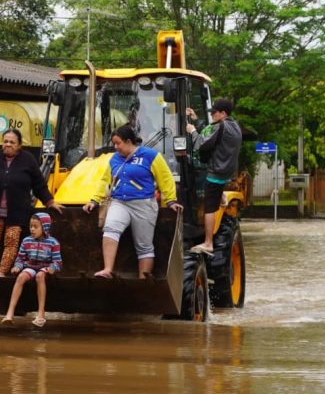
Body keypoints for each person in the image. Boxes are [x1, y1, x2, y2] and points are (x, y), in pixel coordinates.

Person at [82, 124, 182, 279]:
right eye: (114, 144)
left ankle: (144, 280)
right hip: (119, 202)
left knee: (144, 245)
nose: (115, 147)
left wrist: (170, 201)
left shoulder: (150, 155)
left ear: (128, 141)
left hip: (144, 204)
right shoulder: (114, 159)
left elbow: (166, 178)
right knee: (110, 229)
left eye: (118, 143)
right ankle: (107, 269)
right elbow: (104, 181)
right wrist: (95, 200)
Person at [0, 128, 63, 277]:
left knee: (11, 244)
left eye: (12, 142)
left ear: (19, 145)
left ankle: (1, 273)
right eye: (5, 141)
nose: (8, 144)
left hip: (16, 212)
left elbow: (39, 184)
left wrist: (50, 202)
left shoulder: (28, 160)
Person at [186, 98, 241, 255]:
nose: (212, 116)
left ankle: (208, 242)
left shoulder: (221, 126)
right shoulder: (234, 125)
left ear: (223, 113)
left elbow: (202, 143)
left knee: (209, 208)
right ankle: (221, 195)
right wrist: (196, 120)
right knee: (213, 190)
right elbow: (212, 132)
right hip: (226, 172)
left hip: (216, 173)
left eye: (214, 113)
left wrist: (192, 131)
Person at [2, 212, 62, 327]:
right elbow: (20, 258)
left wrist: (52, 268)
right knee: (21, 277)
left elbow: (58, 262)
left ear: (45, 227)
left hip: (44, 267)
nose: (32, 229)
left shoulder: (53, 242)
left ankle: (41, 314)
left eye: (36, 226)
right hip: (30, 266)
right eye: (31, 226)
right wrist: (17, 267)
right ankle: (9, 313)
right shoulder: (26, 241)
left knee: (40, 276)